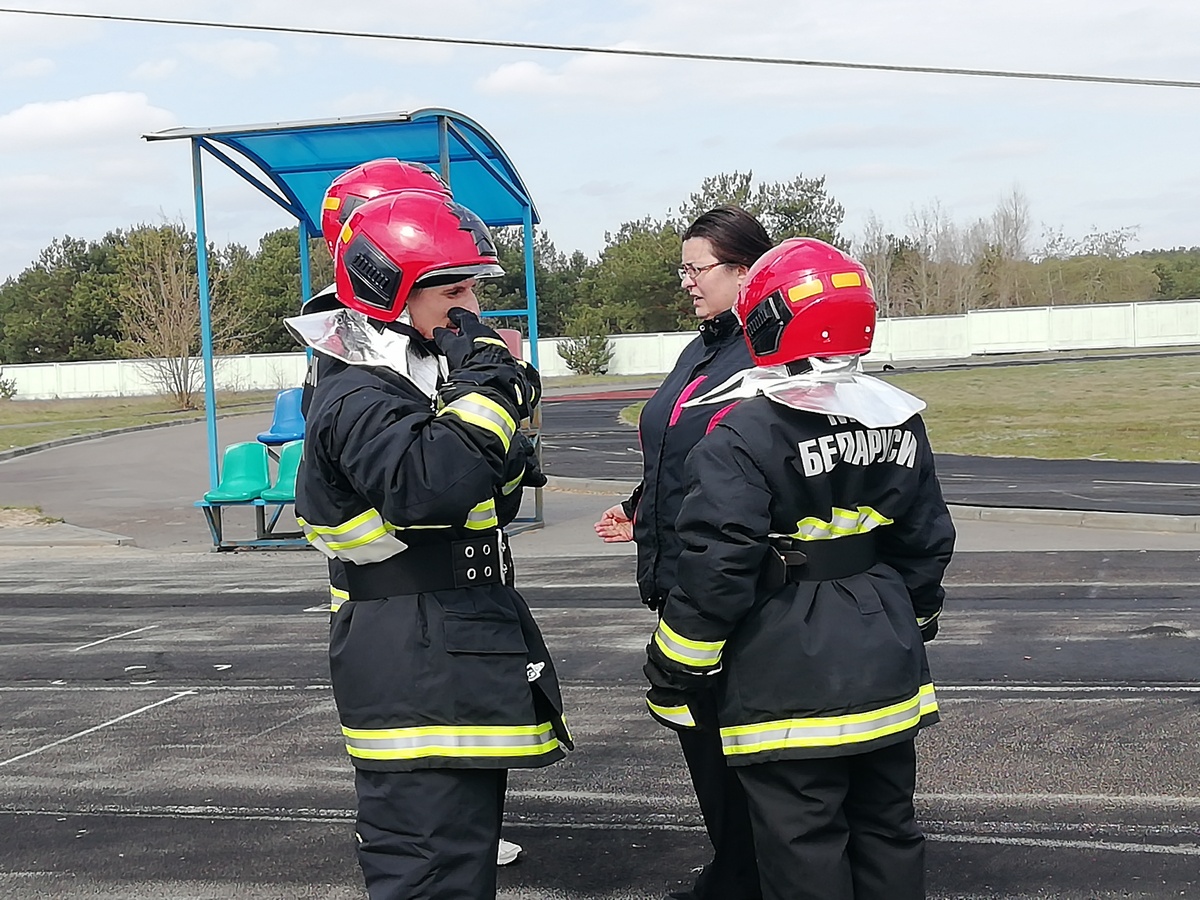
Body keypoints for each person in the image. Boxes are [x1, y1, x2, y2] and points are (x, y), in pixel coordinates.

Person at [643, 237, 955, 900]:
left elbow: (717, 565)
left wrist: (676, 670)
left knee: (802, 849)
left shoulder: (740, 434)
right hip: (887, 665)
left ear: (764, 323)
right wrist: (912, 619)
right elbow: (926, 540)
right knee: (889, 832)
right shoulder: (900, 421)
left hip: (786, 674)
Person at [286, 189, 570, 899]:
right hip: (416, 657)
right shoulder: (358, 392)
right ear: (392, 290)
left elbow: (488, 490)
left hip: (445, 645)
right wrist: (491, 380)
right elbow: (430, 486)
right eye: (455, 288)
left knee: (455, 857)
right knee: (429, 868)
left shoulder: (415, 380)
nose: (472, 307)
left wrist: (494, 419)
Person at [595, 206, 772, 900]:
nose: (687, 283)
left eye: (697, 270)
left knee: (746, 757)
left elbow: (750, 466)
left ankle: (749, 880)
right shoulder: (701, 348)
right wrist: (640, 507)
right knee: (707, 753)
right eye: (685, 270)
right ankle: (734, 871)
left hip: (733, 590)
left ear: (743, 271)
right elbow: (685, 450)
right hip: (680, 580)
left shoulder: (760, 355)